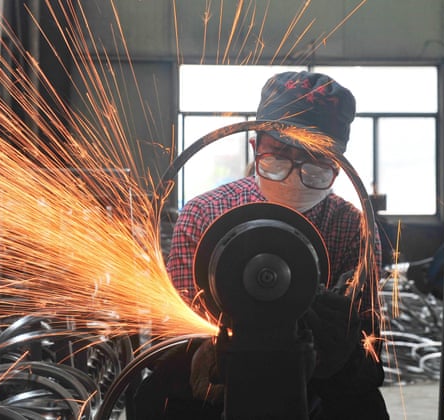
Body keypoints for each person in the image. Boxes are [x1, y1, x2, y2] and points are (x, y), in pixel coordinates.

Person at [136, 71, 388, 419]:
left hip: (318, 380)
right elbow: (172, 332)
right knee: (152, 401)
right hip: (214, 379)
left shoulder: (351, 226)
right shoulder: (204, 213)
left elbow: (370, 348)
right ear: (256, 146)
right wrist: (201, 354)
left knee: (364, 408)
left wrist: (340, 350)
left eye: (314, 160)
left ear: (338, 165)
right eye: (281, 154)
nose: (295, 171)